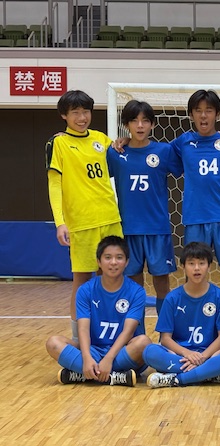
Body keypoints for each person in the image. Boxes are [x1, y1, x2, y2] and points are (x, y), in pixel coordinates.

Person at [46, 90, 123, 343]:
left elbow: (122, 153)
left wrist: (122, 141)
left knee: (111, 279)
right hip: (81, 223)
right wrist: (60, 222)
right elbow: (54, 185)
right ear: (64, 116)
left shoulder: (101, 139)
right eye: (75, 113)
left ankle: (108, 333)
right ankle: (78, 338)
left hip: (110, 218)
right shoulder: (58, 143)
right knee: (82, 281)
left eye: (86, 112)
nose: (82, 118)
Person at [107, 100, 182, 316]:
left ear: (152, 124)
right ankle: (136, 331)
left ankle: (165, 330)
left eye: (145, 121)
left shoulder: (164, 151)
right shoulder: (115, 153)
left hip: (157, 229)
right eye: (134, 121)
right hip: (129, 229)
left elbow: (189, 166)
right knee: (133, 285)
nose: (140, 125)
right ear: (126, 125)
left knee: (162, 282)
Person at [45, 235, 151, 387]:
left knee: (144, 342)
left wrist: (108, 359)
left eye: (119, 257)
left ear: (127, 262)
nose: (113, 262)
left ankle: (84, 375)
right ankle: (115, 376)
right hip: (93, 350)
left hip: (122, 352)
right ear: (99, 262)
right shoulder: (85, 290)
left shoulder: (137, 292)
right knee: (53, 343)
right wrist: (87, 357)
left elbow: (128, 332)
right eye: (108, 257)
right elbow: (83, 328)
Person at [171, 89, 220, 302]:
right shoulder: (182, 142)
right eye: (198, 110)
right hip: (196, 219)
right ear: (191, 114)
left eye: (209, 110)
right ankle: (191, 317)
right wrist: (126, 141)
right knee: (193, 276)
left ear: (218, 114)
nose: (203, 116)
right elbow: (152, 151)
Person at [142, 242, 220, 388]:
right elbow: (165, 339)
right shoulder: (172, 298)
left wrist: (202, 357)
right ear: (183, 267)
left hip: (210, 355)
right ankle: (210, 374)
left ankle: (178, 379)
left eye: (201, 263)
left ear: (209, 266)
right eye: (191, 263)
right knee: (149, 352)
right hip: (180, 356)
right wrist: (187, 354)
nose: (197, 268)